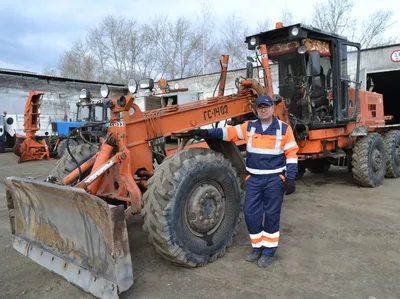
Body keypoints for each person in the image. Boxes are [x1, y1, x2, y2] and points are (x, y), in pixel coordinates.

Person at [189, 94, 299, 267]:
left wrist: (290, 178)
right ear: (256, 110)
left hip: (274, 180)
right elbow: (228, 133)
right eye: (260, 107)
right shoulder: (250, 127)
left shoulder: (284, 129)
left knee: (271, 216)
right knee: (250, 215)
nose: (263, 109)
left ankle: (268, 252)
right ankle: (257, 248)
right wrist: (206, 132)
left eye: (266, 106)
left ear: (272, 108)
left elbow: (291, 154)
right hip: (254, 179)